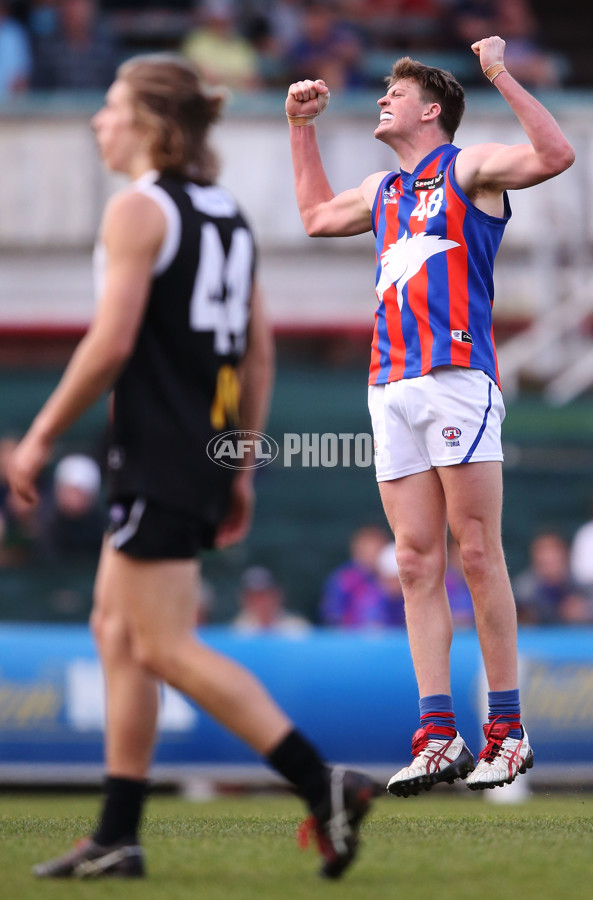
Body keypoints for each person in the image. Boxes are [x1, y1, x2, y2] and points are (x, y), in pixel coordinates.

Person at [8, 54, 375, 880]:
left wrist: (36, 436)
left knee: (163, 644)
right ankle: (118, 834)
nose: (98, 121)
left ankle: (324, 782)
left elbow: (112, 344)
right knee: (116, 631)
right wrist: (238, 463)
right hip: (196, 451)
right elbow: (260, 350)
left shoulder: (137, 211)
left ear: (148, 124)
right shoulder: (225, 213)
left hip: (157, 452)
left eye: (111, 105)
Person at [286, 35, 574, 795]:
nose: (383, 97)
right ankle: (437, 732)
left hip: (455, 379)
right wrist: (298, 128)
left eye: (395, 90)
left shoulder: (467, 165)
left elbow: (555, 155)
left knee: (475, 552)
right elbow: (314, 216)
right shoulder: (382, 191)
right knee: (415, 562)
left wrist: (502, 74)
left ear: (432, 109)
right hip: (391, 385)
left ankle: (507, 732)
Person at [513, 531, 593, 625]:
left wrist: (587, 611)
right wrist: (525, 617)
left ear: (565, 555)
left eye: (554, 553)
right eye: (543, 554)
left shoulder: (582, 582)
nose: (549, 557)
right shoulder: (523, 590)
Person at [232, 565, 312, 635]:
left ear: (277, 595)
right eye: (254, 597)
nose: (260, 602)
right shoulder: (237, 631)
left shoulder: (296, 628)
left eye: (264, 595)